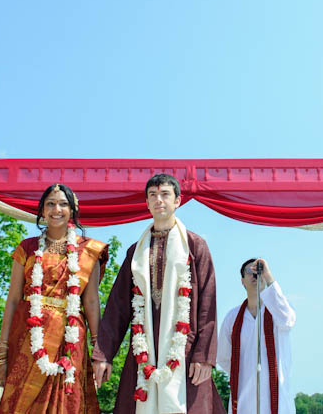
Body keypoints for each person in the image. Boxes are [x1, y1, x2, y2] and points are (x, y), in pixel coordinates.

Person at [92, 173, 225, 414]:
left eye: (165, 194)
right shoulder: (136, 252)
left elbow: (208, 303)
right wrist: (104, 355)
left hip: (185, 349)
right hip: (144, 351)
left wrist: (204, 356)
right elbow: (118, 307)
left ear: (178, 201)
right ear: (147, 202)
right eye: (152, 195)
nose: (158, 200)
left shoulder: (195, 247)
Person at [0, 183, 108, 413]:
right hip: (27, 338)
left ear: (72, 210)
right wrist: (2, 352)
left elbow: (92, 302)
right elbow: (14, 299)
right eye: (50, 204)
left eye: (63, 204)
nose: (57, 209)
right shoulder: (26, 248)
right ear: (42, 210)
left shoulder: (88, 250)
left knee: (66, 402)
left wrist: (100, 352)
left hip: (70, 338)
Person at [217, 258, 295, 414]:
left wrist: (268, 274)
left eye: (258, 271)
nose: (255, 275)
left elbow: (288, 320)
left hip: (276, 397)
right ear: (242, 282)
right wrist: (246, 371)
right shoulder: (232, 317)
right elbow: (224, 357)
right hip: (243, 397)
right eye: (249, 272)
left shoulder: (277, 310)